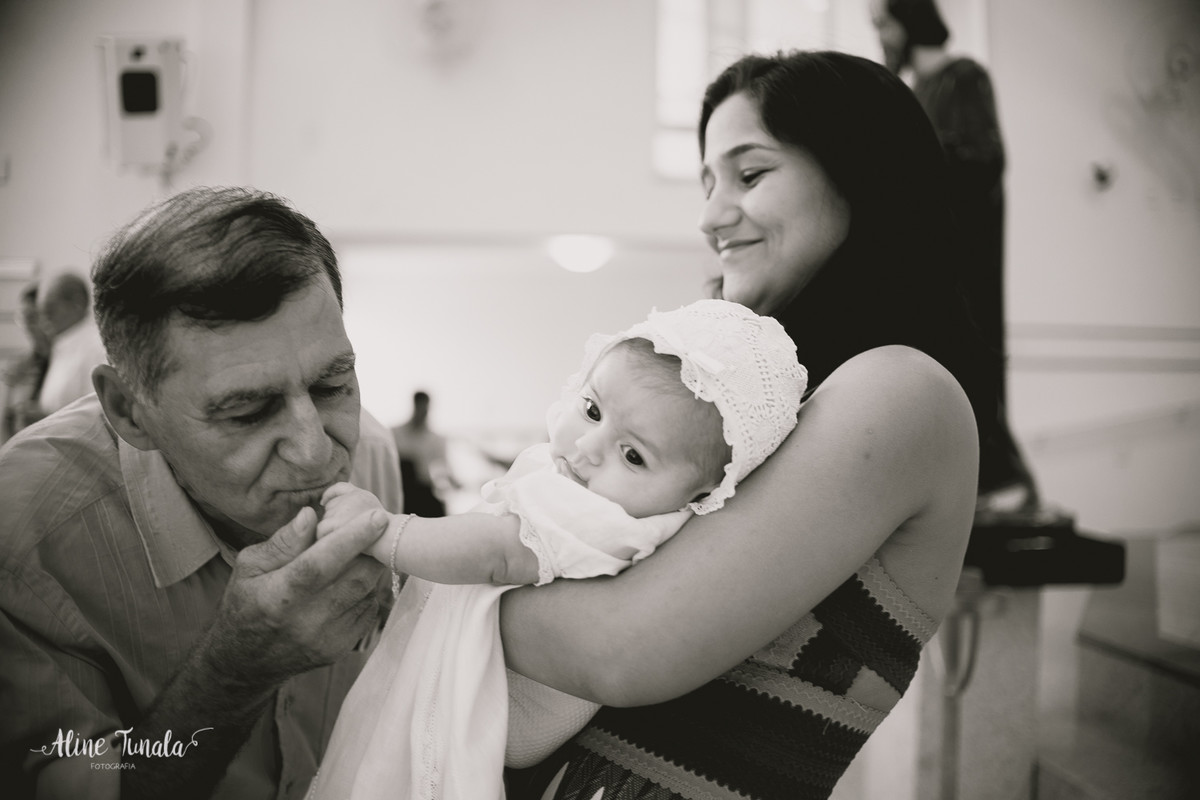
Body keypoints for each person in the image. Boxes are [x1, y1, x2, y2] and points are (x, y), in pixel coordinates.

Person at [500, 50, 982, 800]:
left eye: (750, 174)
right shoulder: (759, 405)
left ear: (861, 171)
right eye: (706, 182)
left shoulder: (903, 391)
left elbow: (624, 647)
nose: (710, 215)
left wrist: (429, 583)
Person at [306, 299, 807, 800]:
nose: (588, 447)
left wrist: (384, 531)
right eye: (592, 411)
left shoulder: (598, 515)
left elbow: (497, 551)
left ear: (699, 495)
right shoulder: (624, 501)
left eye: (633, 455)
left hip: (504, 705)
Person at [0, 186, 402, 800]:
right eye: (248, 411)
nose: (318, 451)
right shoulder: (24, 530)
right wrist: (234, 671)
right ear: (129, 411)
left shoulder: (368, 452)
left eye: (332, 384)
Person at [870, 0, 1042, 513]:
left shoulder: (962, 77)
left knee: (971, 364)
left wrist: (908, 165)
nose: (880, 36)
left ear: (909, 21)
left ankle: (1004, 483)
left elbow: (982, 161)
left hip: (965, 261)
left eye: (884, 24)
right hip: (925, 265)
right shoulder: (911, 91)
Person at [28, 271, 109, 421]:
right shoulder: (61, 345)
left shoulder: (97, 348)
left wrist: (46, 420)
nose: (44, 316)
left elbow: (102, 415)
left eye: (50, 308)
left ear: (77, 304)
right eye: (41, 310)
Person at [392, 390, 459, 517]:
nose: (423, 411)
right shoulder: (395, 433)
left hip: (422, 491)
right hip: (400, 489)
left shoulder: (435, 439)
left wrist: (454, 483)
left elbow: (444, 467)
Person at [1, 282, 51, 442]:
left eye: (33, 317)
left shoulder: (70, 361)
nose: (28, 326)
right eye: (23, 317)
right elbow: (7, 418)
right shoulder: (17, 366)